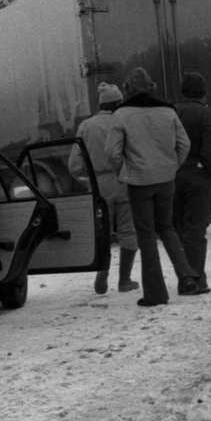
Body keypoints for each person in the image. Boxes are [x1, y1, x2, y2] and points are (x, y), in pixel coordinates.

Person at [106, 67, 199, 306]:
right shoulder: (168, 111)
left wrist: (124, 172)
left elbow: (112, 152)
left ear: (127, 89)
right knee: (167, 228)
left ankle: (155, 293)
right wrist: (172, 167)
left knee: (146, 236)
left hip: (139, 182)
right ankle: (188, 276)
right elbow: (184, 144)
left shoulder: (121, 114)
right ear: (152, 86)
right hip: (166, 179)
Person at [70, 82, 140, 294]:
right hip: (125, 182)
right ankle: (124, 280)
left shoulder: (86, 127)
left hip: (100, 186)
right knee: (128, 232)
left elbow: (73, 165)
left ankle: (102, 274)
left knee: (104, 233)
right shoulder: (126, 122)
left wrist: (88, 181)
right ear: (118, 103)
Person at [172, 73, 211, 295]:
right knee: (195, 232)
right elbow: (209, 150)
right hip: (198, 178)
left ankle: (184, 277)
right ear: (203, 92)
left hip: (173, 177)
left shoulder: (172, 112)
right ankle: (195, 280)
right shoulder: (205, 113)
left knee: (180, 230)